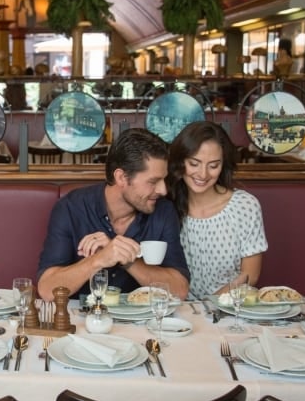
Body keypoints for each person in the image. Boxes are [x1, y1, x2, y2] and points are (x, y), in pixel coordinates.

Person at [37, 128, 190, 300]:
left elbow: (180, 290)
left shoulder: (164, 211)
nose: (163, 190)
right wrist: (100, 259)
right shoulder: (71, 208)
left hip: (144, 324)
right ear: (121, 178)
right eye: (153, 181)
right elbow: (47, 290)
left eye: (164, 180)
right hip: (83, 322)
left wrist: (128, 261)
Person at [166, 121, 267, 300]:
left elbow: (250, 275)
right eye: (194, 163)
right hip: (177, 311)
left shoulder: (245, 206)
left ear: (223, 167)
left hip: (229, 309)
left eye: (213, 166)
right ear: (180, 162)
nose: (203, 174)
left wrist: (210, 305)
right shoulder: (167, 205)